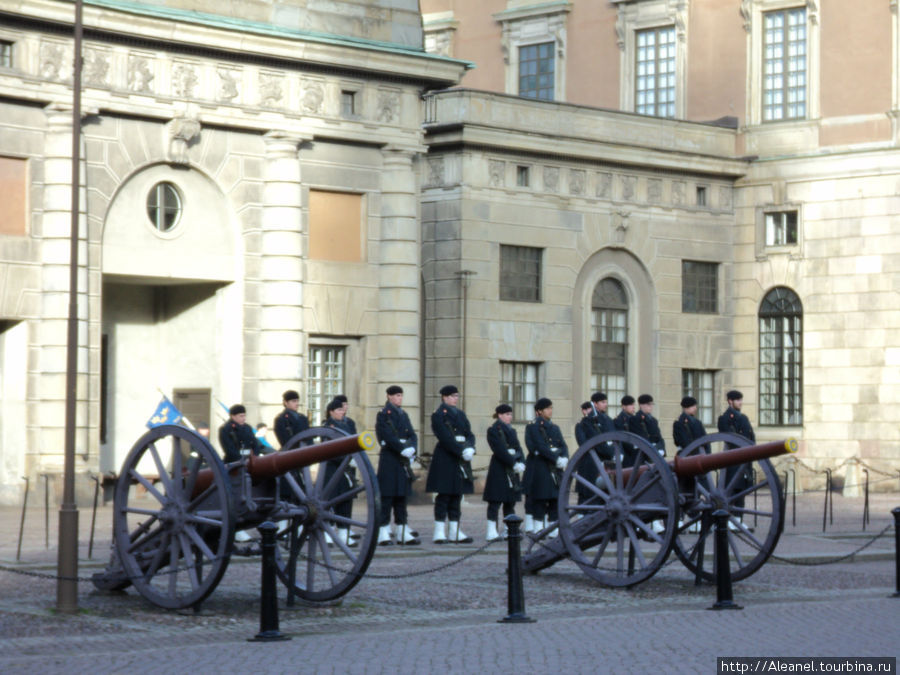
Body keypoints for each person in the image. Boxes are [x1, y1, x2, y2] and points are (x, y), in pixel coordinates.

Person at [426, 384, 475, 544]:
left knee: (457, 495)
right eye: (452, 396)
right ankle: (439, 532)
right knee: (444, 495)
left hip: (460, 459)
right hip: (446, 457)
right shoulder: (438, 414)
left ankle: (454, 531)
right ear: (444, 397)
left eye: (456, 396)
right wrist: (461, 450)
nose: (455, 399)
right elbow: (444, 436)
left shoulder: (460, 414)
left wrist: (470, 448)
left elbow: (469, 433)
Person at [375, 385, 420, 546]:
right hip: (390, 459)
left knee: (401, 496)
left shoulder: (403, 414)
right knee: (387, 497)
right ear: (389, 396)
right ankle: (383, 532)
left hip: (402, 462)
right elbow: (385, 435)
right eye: (396, 395)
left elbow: (412, 434)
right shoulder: (383, 414)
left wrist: (412, 448)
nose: (399, 398)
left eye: (401, 395)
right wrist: (402, 448)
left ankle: (402, 530)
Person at [524, 398, 568, 535]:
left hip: (555, 469)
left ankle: (553, 529)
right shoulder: (533, 426)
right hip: (541, 467)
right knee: (541, 498)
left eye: (551, 408)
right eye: (547, 409)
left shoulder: (554, 427)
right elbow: (540, 446)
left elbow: (563, 445)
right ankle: (538, 528)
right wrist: (556, 458)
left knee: (555, 498)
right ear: (539, 411)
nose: (550, 411)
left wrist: (565, 457)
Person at [482, 404, 525, 542]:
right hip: (499, 469)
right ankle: (491, 531)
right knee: (495, 501)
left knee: (510, 501)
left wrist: (522, 462)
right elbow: (499, 450)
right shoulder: (494, 430)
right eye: (507, 414)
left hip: (512, 470)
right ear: (500, 415)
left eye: (511, 414)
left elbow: (518, 447)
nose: (510, 417)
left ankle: (509, 530)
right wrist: (513, 463)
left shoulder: (512, 430)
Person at [321, 398, 357, 547]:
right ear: (331, 412)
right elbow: (329, 449)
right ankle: (327, 533)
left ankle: (344, 532)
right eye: (339, 410)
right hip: (333, 468)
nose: (342, 412)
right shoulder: (327, 426)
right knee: (330, 500)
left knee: (346, 501)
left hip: (346, 469)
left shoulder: (348, 424)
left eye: (343, 410)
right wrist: (347, 459)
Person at [718, 389, 756, 525]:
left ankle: (738, 519)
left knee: (741, 489)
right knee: (733, 489)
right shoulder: (724, 419)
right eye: (738, 400)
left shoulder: (743, 418)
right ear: (730, 401)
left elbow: (751, 437)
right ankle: (730, 518)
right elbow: (731, 438)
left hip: (745, 458)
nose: (740, 403)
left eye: (741, 400)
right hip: (733, 458)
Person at [574, 392, 615, 504]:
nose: (605, 404)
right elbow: (593, 441)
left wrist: (616, 452)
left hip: (606, 461)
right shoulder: (587, 421)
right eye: (603, 402)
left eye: (606, 402)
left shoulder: (607, 420)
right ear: (595, 404)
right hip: (592, 462)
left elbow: (614, 438)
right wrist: (608, 451)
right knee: (588, 495)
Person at [614, 395, 637, 467]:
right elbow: (622, 438)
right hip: (627, 454)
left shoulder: (634, 419)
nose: (633, 407)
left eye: (633, 404)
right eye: (630, 405)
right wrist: (634, 446)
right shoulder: (619, 420)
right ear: (623, 406)